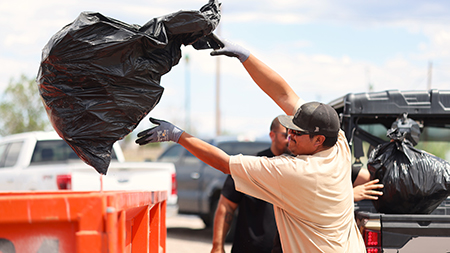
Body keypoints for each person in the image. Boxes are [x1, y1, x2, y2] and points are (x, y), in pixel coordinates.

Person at [136, 36, 366, 252]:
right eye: (290, 129)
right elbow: (285, 95)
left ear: (318, 140)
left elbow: (225, 163)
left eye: (298, 133)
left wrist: (177, 136)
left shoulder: (296, 172)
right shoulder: (338, 145)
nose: (290, 135)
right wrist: (244, 55)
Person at [211, 117, 288, 253]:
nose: (290, 139)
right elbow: (226, 206)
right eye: (285, 135)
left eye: (294, 135)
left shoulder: (300, 168)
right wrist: (217, 246)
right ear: (272, 135)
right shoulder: (252, 167)